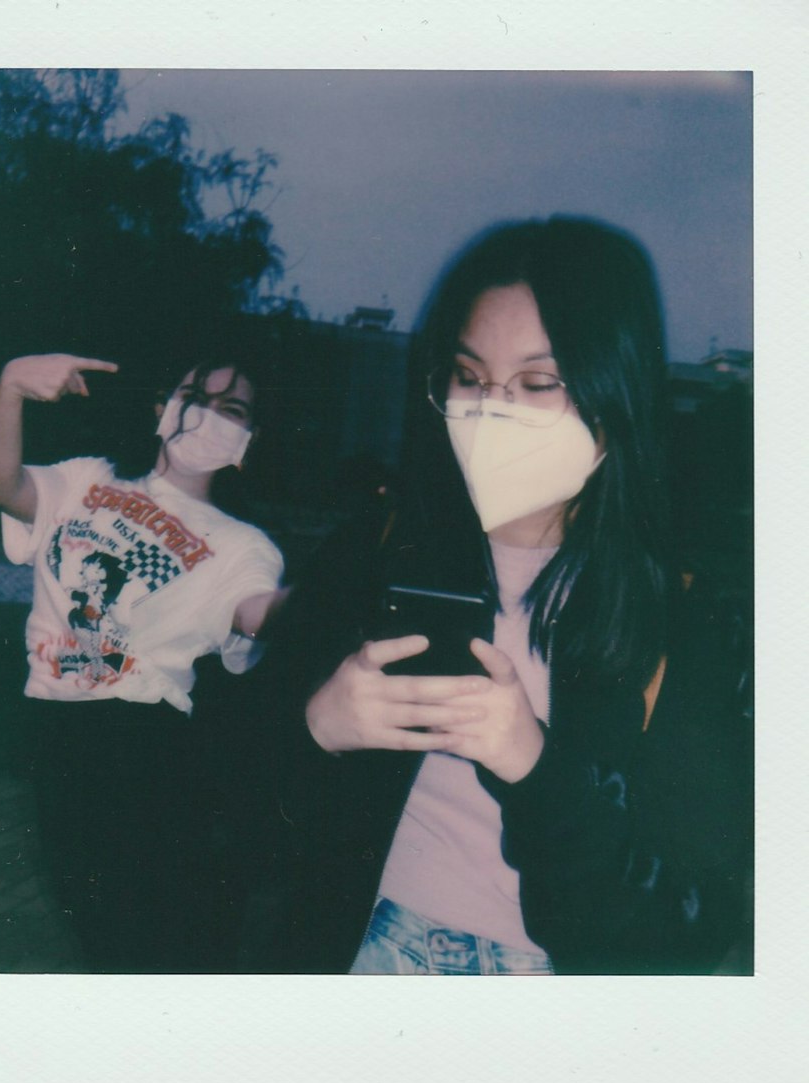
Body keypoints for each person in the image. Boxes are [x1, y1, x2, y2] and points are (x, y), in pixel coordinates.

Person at [241, 216, 752, 976]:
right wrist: (316, 726)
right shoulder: (375, 552)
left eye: (539, 384)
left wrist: (536, 769)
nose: (492, 410)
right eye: (470, 377)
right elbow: (228, 806)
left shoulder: (689, 622)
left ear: (614, 401)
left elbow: (688, 928)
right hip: (360, 954)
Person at [0, 352, 286, 972]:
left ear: (248, 440)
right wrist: (9, 384)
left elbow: (260, 612)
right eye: (196, 393)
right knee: (100, 931)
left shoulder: (242, 544)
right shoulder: (86, 481)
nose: (207, 416)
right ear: (162, 407)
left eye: (233, 410)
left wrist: (336, 590)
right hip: (60, 727)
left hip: (146, 742)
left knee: (153, 939)